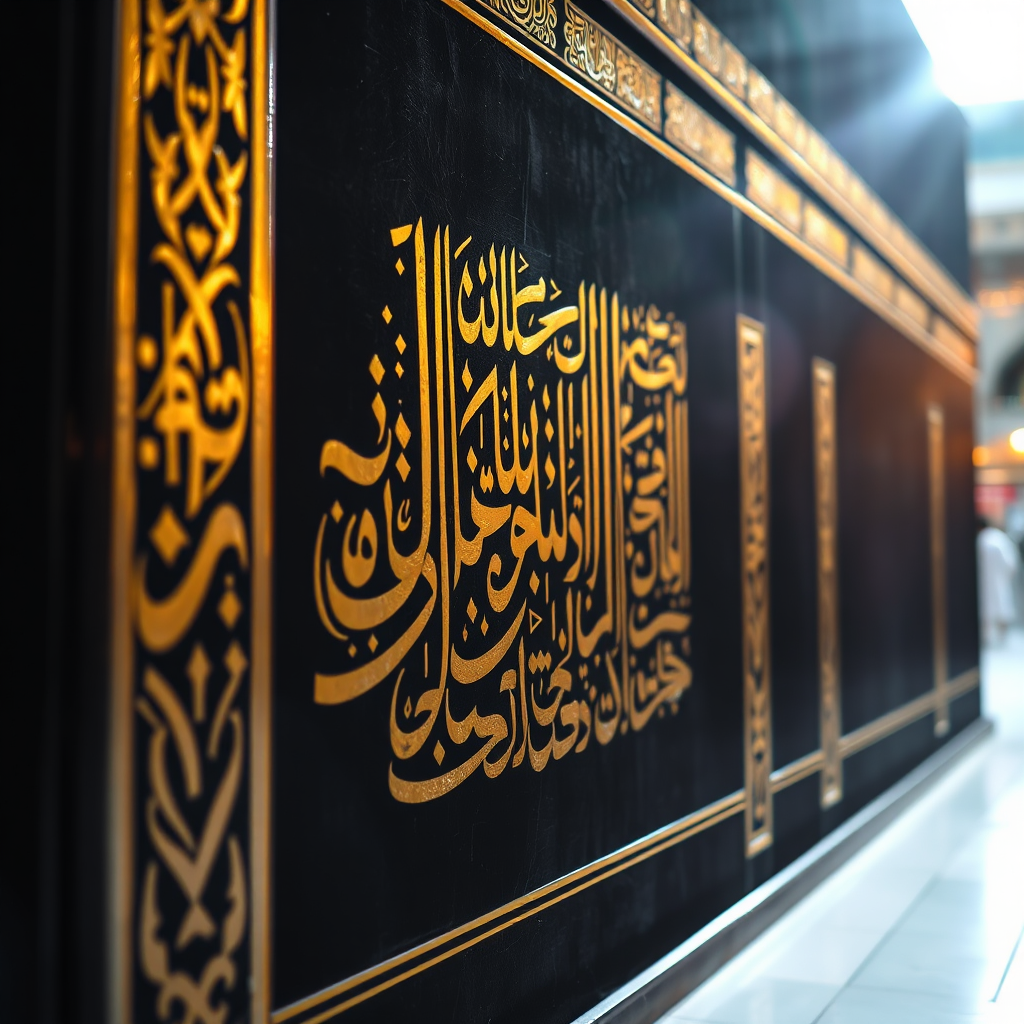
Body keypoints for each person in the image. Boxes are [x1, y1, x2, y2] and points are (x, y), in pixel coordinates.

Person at [978, 518, 1021, 645]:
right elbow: (1011, 562)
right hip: (998, 578)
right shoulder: (999, 538)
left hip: (990, 579)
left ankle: (992, 636)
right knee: (999, 606)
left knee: (992, 607)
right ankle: (999, 636)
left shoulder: (983, 539)